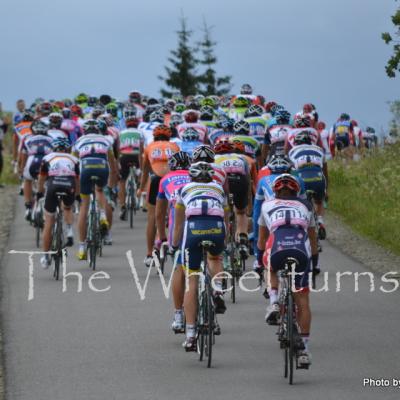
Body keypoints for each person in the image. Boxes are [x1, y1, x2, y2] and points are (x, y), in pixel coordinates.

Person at [257, 174, 318, 367]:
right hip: (300, 252)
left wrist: (260, 263)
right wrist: (313, 263)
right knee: (303, 300)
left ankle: (274, 302)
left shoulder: (267, 205)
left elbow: (260, 240)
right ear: (296, 191)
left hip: (278, 250)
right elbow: (313, 239)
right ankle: (305, 350)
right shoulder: (307, 205)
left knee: (270, 266)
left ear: (275, 191)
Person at [171, 161, 228, 351]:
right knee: (215, 258)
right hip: (217, 227)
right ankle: (218, 289)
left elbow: (179, 224)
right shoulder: (219, 188)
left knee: (191, 279)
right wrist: (224, 241)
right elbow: (225, 217)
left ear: (192, 177)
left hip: (194, 229)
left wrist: (174, 244)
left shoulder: (185, 189)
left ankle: (190, 334)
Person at [155, 151, 192, 333]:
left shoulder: (166, 179)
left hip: (177, 227)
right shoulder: (198, 176)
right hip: (204, 222)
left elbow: (159, 213)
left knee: (180, 269)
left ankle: (178, 314)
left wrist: (161, 237)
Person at [72, 119, 117, 260]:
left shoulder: (78, 141)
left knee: (84, 207)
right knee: (100, 190)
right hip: (102, 167)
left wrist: (75, 189)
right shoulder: (105, 140)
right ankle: (103, 215)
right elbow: (113, 165)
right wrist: (111, 185)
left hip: (85, 169)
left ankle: (81, 246)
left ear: (84, 131)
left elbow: (73, 165)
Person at [137, 125, 180, 266]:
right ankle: (176, 245)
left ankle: (149, 254)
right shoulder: (174, 146)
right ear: (169, 137)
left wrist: (141, 188)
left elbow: (145, 171)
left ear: (154, 137)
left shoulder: (149, 147)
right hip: (171, 181)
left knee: (152, 217)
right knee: (176, 212)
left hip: (155, 180)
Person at [37, 138, 79, 268]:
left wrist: (39, 192)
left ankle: (45, 256)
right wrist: (77, 196)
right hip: (69, 185)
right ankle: (70, 231)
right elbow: (77, 180)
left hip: (53, 185)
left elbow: (42, 177)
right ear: (67, 149)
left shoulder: (47, 157)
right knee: (67, 207)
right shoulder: (74, 159)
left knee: (49, 220)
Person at [288, 130, 328, 239]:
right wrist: (326, 189)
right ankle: (320, 221)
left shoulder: (292, 151)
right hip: (318, 177)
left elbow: (290, 171)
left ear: (296, 143)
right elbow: (325, 170)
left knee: (298, 201)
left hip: (302, 177)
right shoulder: (320, 150)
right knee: (319, 201)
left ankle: (300, 223)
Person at [19, 120, 54, 220]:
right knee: (47, 182)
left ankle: (28, 207)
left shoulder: (27, 139)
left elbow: (23, 155)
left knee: (27, 180)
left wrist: (21, 168)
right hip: (46, 162)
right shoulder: (51, 139)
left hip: (32, 162)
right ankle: (44, 202)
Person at [118, 113, 144, 220]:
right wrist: (142, 166)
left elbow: (118, 147)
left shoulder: (121, 132)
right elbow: (142, 149)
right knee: (140, 172)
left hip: (124, 156)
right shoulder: (140, 133)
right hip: (136, 156)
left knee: (122, 181)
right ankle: (138, 186)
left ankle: (123, 205)